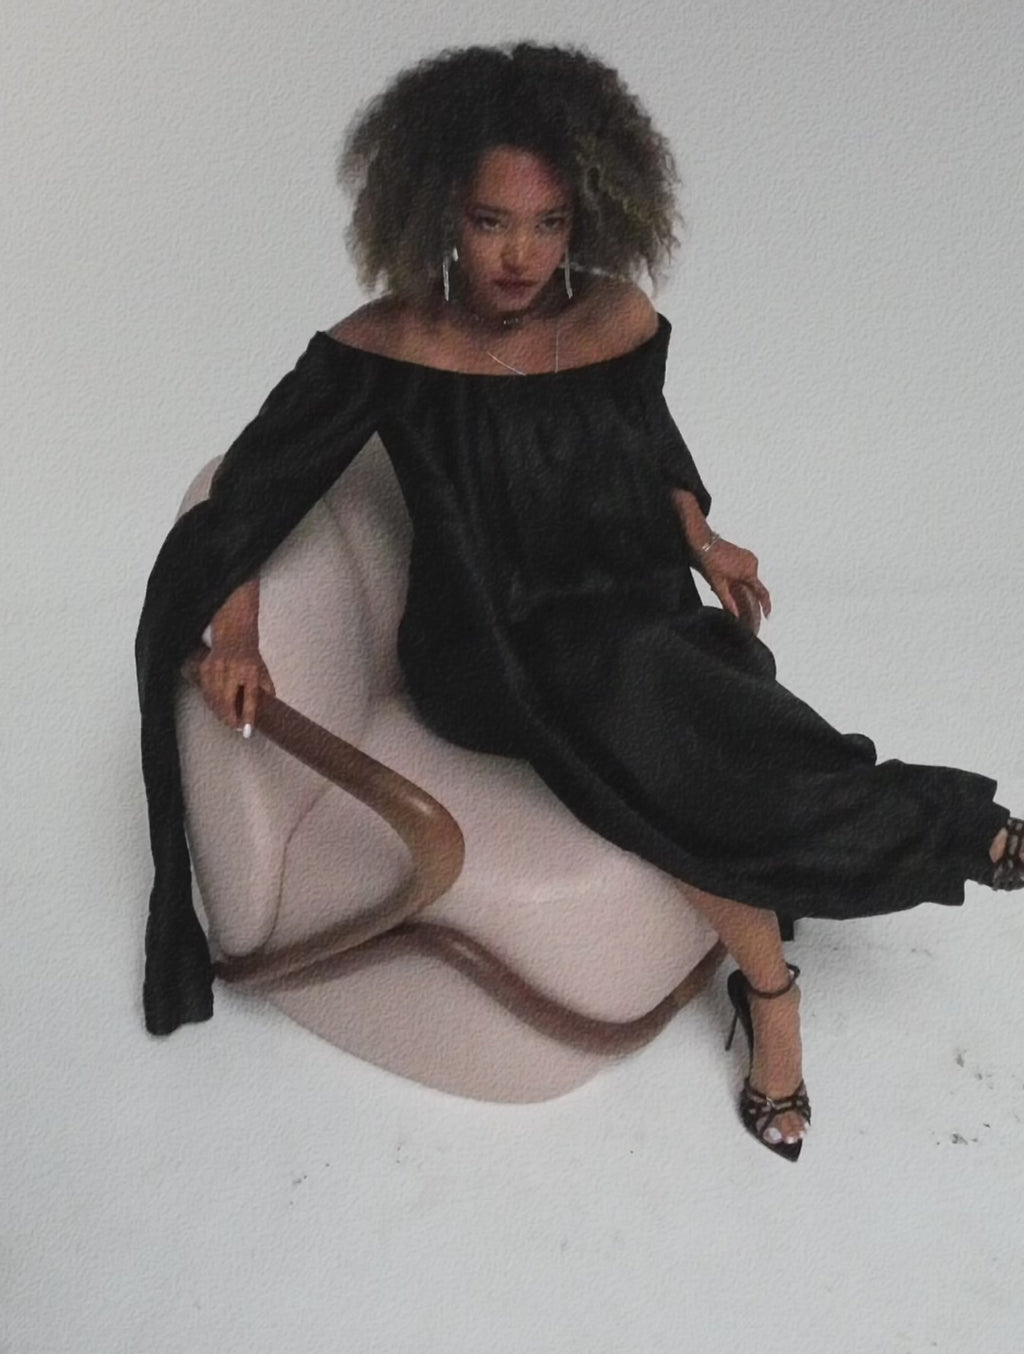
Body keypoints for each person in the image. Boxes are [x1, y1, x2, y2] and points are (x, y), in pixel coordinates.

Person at [136, 42, 1024, 1162]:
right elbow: (247, 494)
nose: (519, 253)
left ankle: (890, 875)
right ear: (438, 213)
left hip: (621, 609)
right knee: (661, 724)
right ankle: (891, 894)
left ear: (591, 214)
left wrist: (701, 537)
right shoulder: (387, 346)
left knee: (688, 715)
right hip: (486, 648)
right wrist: (235, 632)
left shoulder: (613, 319)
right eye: (489, 221)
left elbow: (649, 441)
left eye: (548, 223)